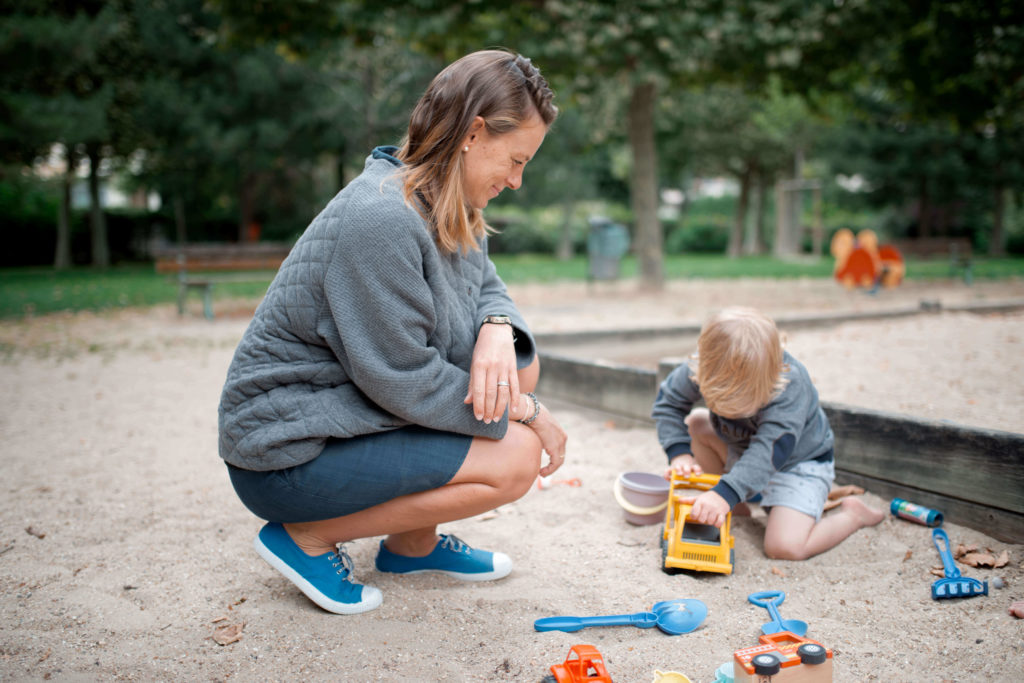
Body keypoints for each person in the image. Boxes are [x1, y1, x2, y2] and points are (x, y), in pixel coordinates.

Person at [218, 49, 567, 615]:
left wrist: (498, 328)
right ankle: (306, 536)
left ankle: (412, 545)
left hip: (351, 418)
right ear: (474, 133)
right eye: (515, 160)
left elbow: (488, 288)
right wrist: (527, 410)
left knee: (515, 365)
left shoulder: (451, 204)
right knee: (516, 456)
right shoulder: (381, 217)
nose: (518, 181)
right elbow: (403, 378)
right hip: (287, 453)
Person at [652, 307, 884, 560]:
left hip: (796, 465)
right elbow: (668, 404)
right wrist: (679, 454)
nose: (729, 413)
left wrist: (723, 493)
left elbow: (767, 453)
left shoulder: (790, 385)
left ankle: (853, 516)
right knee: (698, 422)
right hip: (741, 452)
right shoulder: (706, 364)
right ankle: (736, 509)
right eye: (718, 402)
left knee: (785, 548)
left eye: (741, 404)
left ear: (770, 381)